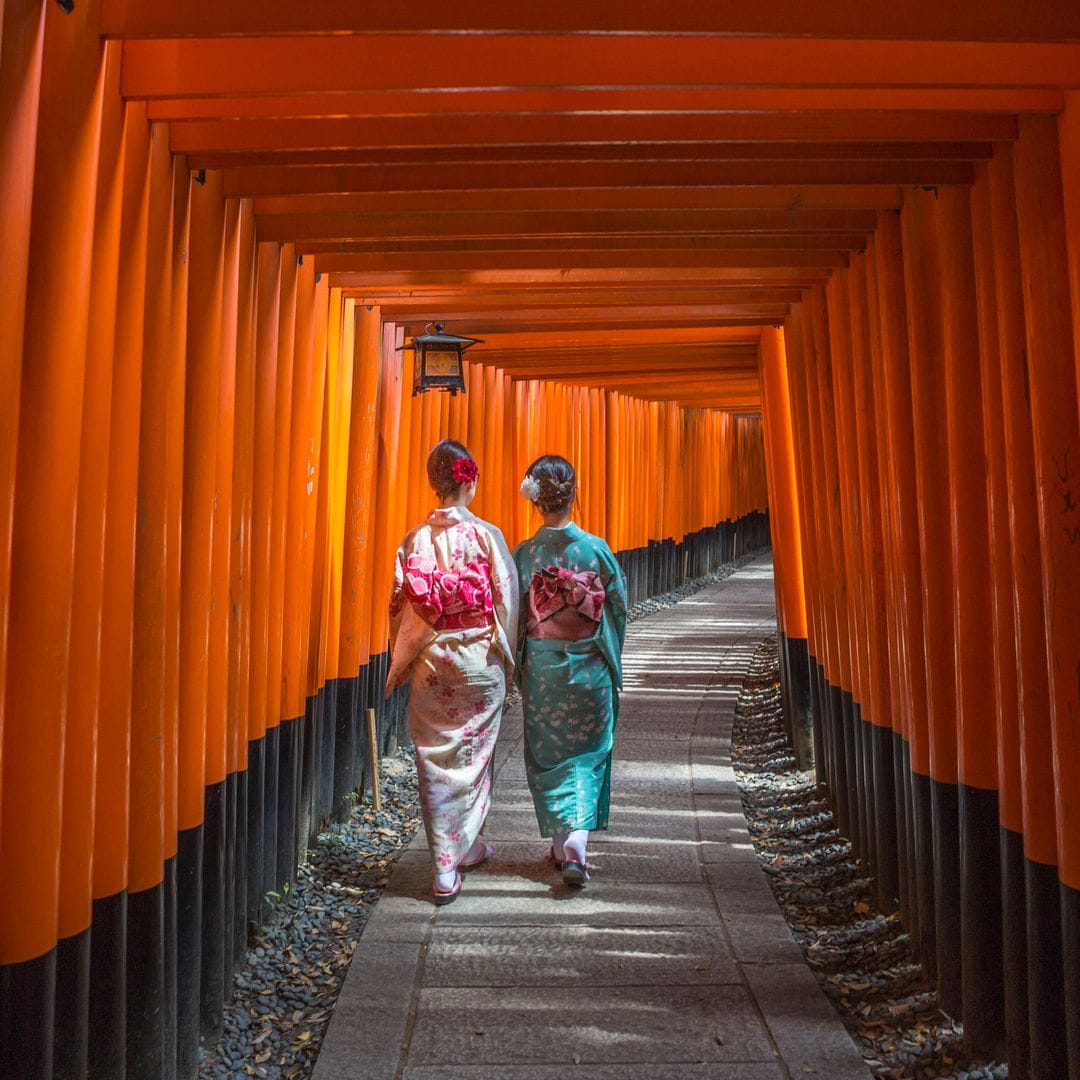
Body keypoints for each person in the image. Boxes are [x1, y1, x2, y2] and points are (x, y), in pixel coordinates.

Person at [387, 440, 519, 905]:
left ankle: (448, 860)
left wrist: (399, 662)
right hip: (479, 659)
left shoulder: (413, 541)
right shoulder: (488, 536)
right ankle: (459, 849)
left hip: (432, 663)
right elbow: (506, 598)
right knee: (474, 756)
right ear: (471, 480)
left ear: (434, 484)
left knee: (435, 758)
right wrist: (507, 652)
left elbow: (401, 608)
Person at [514, 455, 627, 886]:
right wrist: (610, 655)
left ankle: (565, 839)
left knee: (550, 752)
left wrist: (520, 665)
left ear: (535, 500)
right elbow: (616, 611)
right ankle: (576, 840)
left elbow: (512, 614)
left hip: (543, 666)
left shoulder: (525, 555)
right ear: (573, 494)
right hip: (589, 664)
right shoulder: (596, 551)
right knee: (589, 749)